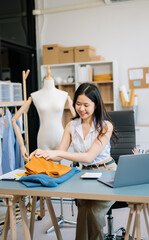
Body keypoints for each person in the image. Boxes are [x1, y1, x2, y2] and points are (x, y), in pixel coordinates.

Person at [30, 82, 118, 240]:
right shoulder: (71, 125)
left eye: (86, 105)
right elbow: (59, 155)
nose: (81, 109)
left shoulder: (106, 126)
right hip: (84, 175)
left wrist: (58, 153)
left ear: (96, 105)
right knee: (83, 211)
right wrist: (44, 153)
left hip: (107, 173)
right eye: (78, 104)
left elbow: (89, 157)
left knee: (93, 212)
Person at [12, 66, 75, 162]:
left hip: (60, 137)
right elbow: (14, 119)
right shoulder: (35, 95)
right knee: (45, 172)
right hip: (43, 138)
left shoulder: (64, 95)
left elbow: (76, 119)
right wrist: (22, 146)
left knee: (64, 172)